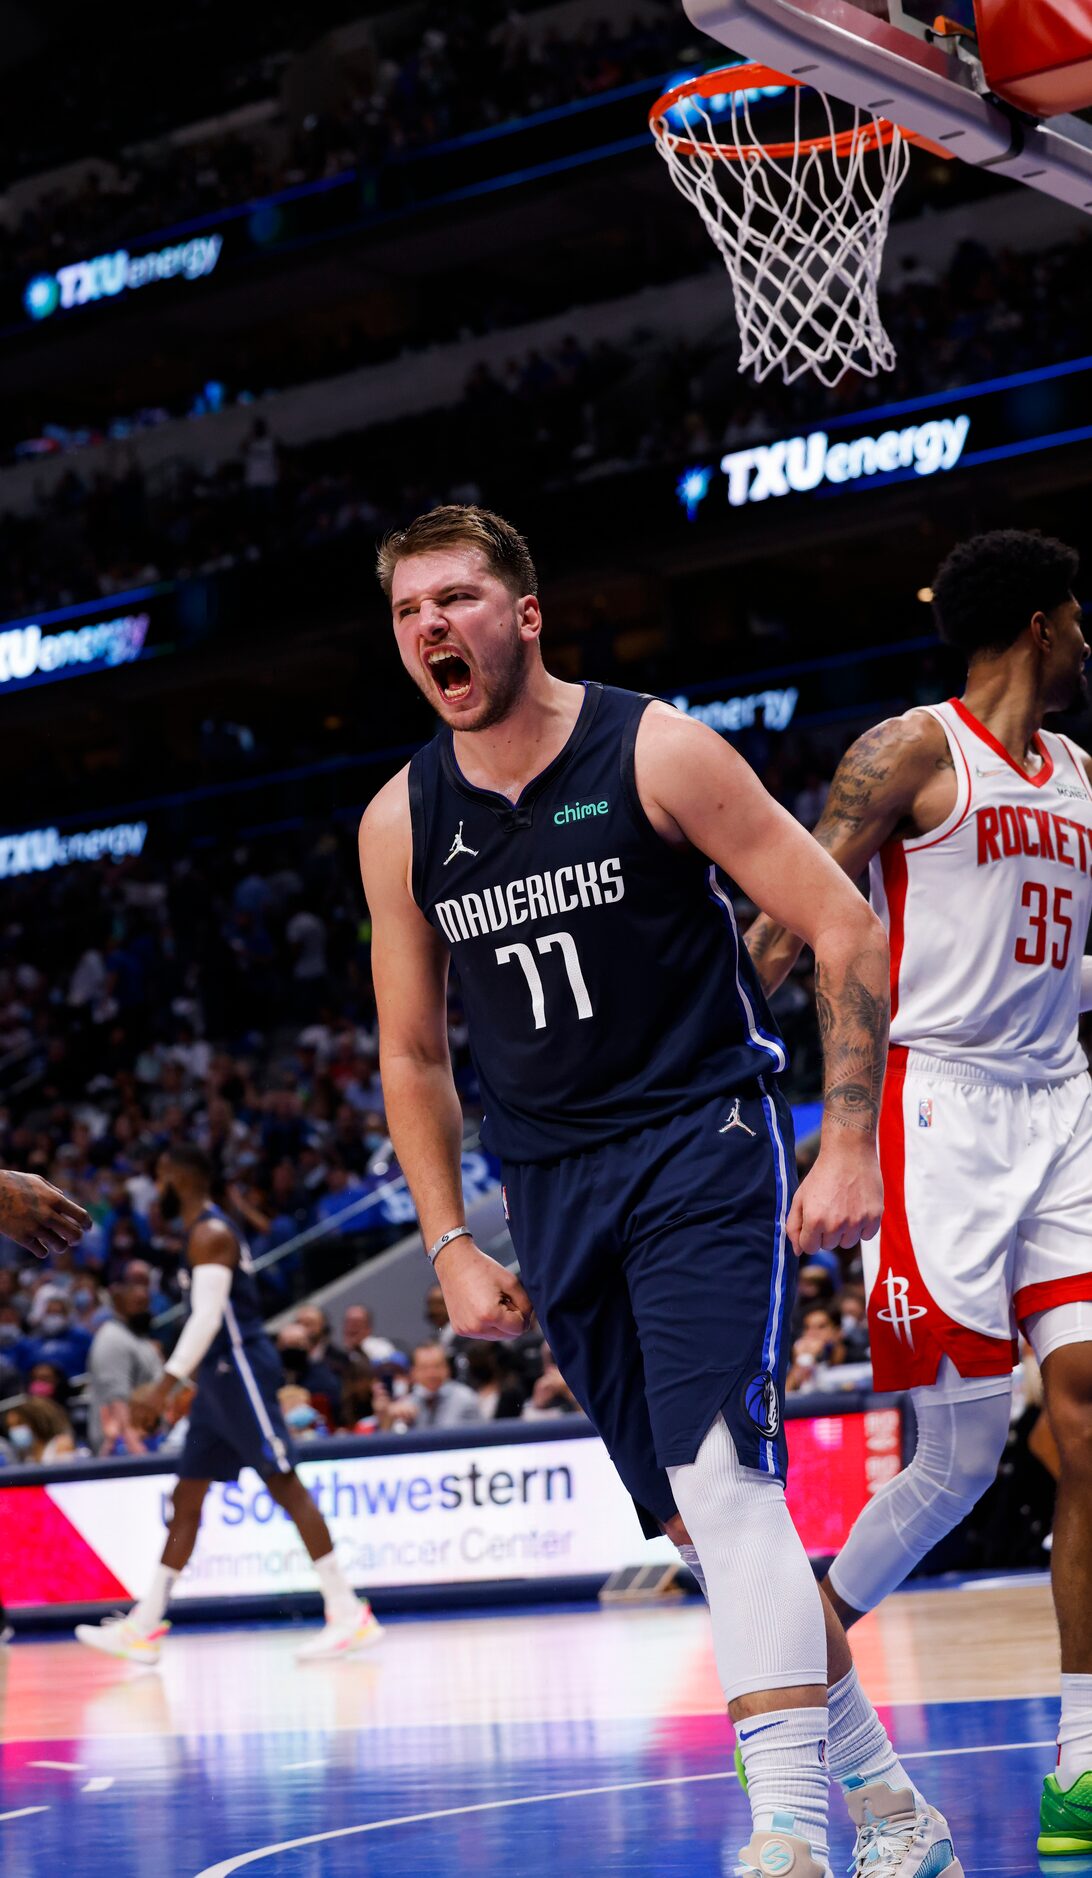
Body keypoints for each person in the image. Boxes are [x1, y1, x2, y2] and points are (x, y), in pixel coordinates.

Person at [359, 503, 958, 1878]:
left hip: (700, 1141)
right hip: (551, 1183)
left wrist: (848, 1136)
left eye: (458, 598)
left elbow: (842, 920)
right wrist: (448, 1237)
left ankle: (787, 1834)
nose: (433, 627)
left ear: (526, 613)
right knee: (703, 1519)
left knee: (729, 1486)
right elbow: (408, 1053)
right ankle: (896, 1815)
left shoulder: (661, 747)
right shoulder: (401, 822)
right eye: (408, 611)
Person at [744, 528, 1092, 1859]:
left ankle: (1084, 1756)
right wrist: (707, 1054)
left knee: (1086, 1404)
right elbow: (792, 912)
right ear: (1044, 622)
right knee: (954, 1461)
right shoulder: (913, 749)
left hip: (1059, 1100)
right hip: (933, 1103)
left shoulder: (1085, 781)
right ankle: (812, 1632)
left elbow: (1061, 961)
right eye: (1080, 617)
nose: (1088, 639)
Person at [75, 1145, 382, 1665]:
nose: (155, 1195)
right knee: (187, 1496)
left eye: (161, 1179)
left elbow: (207, 1318)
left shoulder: (211, 1233)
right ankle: (145, 1624)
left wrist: (164, 1385)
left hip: (239, 1369)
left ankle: (348, 1613)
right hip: (217, 1381)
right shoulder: (199, 1234)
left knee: (284, 1482)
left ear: (178, 1177)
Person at [86, 1260, 163, 1455]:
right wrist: (134, 1447)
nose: (142, 1295)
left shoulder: (138, 1338)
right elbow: (116, 1399)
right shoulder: (112, 1338)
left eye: (145, 1296)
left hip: (146, 1440)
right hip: (123, 1449)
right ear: (117, 1296)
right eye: (134, 1292)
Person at [3, 1394, 76, 1464]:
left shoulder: (61, 1444)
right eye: (10, 1426)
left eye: (19, 1424)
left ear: (34, 1422)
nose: (14, 1430)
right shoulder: (27, 1456)